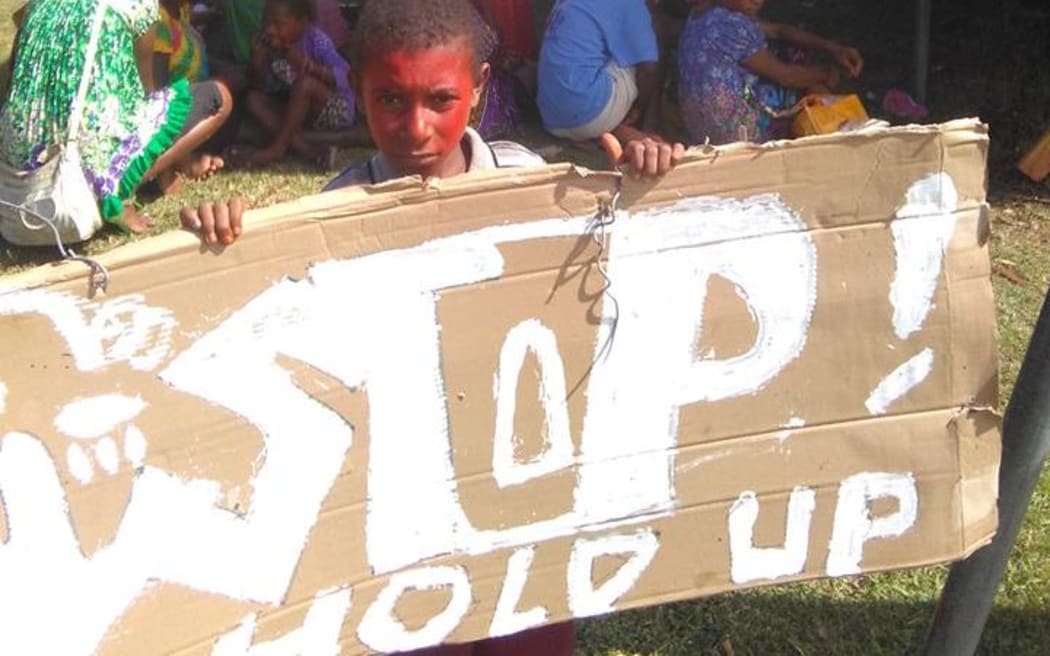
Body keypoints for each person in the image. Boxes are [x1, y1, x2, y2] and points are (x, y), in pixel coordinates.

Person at [0, 0, 232, 232]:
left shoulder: (38, 4)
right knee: (217, 97)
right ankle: (116, 192)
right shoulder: (138, 5)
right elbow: (147, 96)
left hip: (17, 165)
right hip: (73, 169)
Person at [677, 0, 863, 145]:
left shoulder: (701, 14)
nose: (757, 1)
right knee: (812, 85)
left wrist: (833, 48)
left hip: (702, 130)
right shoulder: (732, 24)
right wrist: (827, 73)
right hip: (736, 132)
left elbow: (778, 31)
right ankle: (847, 141)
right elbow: (787, 76)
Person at [239, 0, 357, 166]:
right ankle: (304, 148)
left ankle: (276, 149)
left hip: (335, 108)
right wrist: (256, 65)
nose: (270, 30)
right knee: (253, 100)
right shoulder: (270, 47)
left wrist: (310, 66)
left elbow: (346, 77)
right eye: (266, 22)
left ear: (302, 22)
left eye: (278, 24)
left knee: (305, 85)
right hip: (297, 112)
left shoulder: (316, 40)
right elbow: (264, 87)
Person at [537, 0, 668, 144]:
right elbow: (650, 68)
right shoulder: (631, 4)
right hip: (590, 117)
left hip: (551, 120)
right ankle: (630, 124)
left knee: (603, 48)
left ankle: (605, 124)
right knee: (644, 53)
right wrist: (637, 110)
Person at [154, 0, 210, 86]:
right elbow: (160, 85)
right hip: (179, 95)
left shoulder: (180, 13)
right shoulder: (161, 24)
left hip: (196, 85)